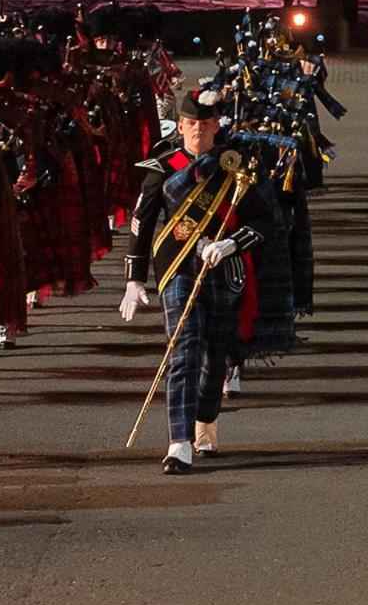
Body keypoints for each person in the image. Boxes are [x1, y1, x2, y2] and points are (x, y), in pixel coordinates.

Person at [121, 85, 285, 473]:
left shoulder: (237, 164)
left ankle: (205, 422)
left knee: (215, 355)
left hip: (224, 269)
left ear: (216, 126)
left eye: (205, 123)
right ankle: (178, 442)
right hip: (178, 268)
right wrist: (134, 278)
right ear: (180, 125)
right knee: (183, 350)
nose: (198, 130)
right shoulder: (164, 165)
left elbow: (264, 221)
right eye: (191, 123)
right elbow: (141, 224)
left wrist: (232, 243)